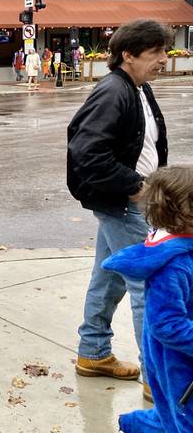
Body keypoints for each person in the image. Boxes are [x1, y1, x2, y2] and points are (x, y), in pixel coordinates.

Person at [68, 19, 170, 390]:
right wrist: (134, 187)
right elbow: (86, 151)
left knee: (109, 277)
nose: (164, 58)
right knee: (150, 286)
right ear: (128, 54)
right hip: (124, 203)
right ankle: (158, 380)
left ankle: (93, 353)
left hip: (128, 201)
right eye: (156, 51)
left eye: (164, 50)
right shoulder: (114, 90)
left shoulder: (137, 87)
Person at [103, 166, 193, 433]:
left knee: (170, 411)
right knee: (182, 418)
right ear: (183, 213)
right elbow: (165, 325)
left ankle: (133, 424)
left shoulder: (185, 249)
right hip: (176, 362)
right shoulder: (172, 267)